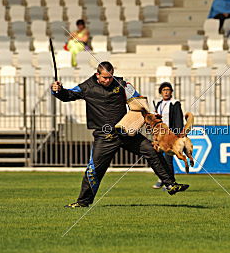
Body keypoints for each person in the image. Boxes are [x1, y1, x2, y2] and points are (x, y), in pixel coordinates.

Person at [51, 61, 190, 208]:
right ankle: (82, 202)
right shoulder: (86, 87)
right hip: (105, 137)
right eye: (104, 77)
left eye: (110, 77)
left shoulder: (122, 84)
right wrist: (58, 90)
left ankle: (170, 185)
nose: (108, 80)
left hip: (126, 132)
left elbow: (138, 100)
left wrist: (150, 114)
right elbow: (68, 95)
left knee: (151, 151)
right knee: (94, 169)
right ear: (97, 75)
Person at [152, 82, 184, 189]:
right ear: (160, 92)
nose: (166, 92)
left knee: (168, 159)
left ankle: (170, 181)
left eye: (168, 90)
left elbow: (179, 120)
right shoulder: (159, 104)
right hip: (160, 136)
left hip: (170, 136)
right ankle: (162, 179)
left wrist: (177, 135)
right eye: (164, 90)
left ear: (171, 92)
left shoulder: (175, 103)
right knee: (158, 158)